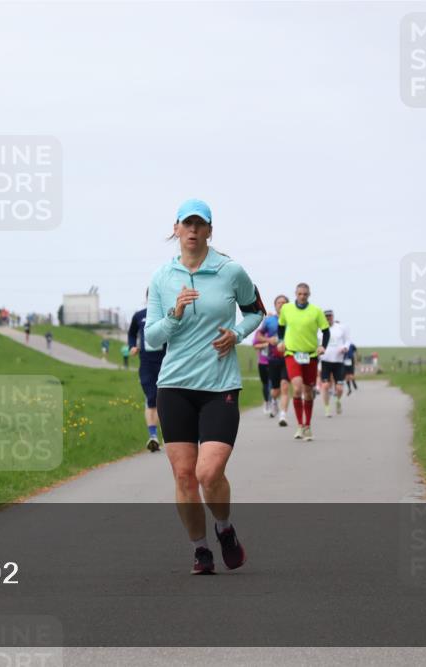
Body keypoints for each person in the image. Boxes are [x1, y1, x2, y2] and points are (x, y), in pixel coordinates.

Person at [145, 199, 264, 575]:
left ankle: (224, 529)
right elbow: (152, 338)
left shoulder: (231, 271)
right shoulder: (162, 277)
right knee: (184, 476)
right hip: (174, 386)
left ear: (210, 230)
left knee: (208, 473)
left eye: (200, 224)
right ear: (176, 229)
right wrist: (175, 313)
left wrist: (237, 333)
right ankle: (200, 550)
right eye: (187, 224)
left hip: (219, 385)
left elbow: (256, 311)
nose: (193, 231)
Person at [277, 283, 330, 441]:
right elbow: (281, 326)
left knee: (308, 391)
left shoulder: (316, 311)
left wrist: (323, 346)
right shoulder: (287, 309)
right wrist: (281, 341)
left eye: (305, 294)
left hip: (310, 354)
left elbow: (326, 331)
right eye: (300, 294)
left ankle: (308, 426)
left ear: (309, 295)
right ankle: (300, 425)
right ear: (295, 294)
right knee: (297, 387)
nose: (302, 296)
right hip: (292, 353)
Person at [128, 289, 167, 452]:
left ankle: (170, 436)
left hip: (166, 362)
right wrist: (132, 346)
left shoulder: (168, 314)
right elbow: (131, 334)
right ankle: (153, 437)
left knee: (166, 399)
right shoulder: (139, 316)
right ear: (147, 298)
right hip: (146, 364)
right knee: (151, 398)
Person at [264, 296, 291, 426]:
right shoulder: (269, 321)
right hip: (273, 359)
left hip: (288, 357)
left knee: (285, 386)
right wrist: (269, 340)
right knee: (275, 390)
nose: (281, 304)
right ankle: (274, 401)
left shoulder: (292, 319)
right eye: (279, 303)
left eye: (284, 303)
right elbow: (258, 336)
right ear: (275, 305)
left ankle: (283, 415)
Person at [319, 310, 351, 417]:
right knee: (325, 385)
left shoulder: (341, 328)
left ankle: (338, 401)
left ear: (333, 316)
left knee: (339, 388)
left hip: (338, 361)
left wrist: (345, 347)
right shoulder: (320, 329)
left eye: (330, 316)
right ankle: (327, 408)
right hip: (325, 360)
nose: (328, 318)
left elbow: (347, 341)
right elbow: (315, 342)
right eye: (326, 316)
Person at [252, 327, 272, 417]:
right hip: (262, 363)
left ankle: (272, 402)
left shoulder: (275, 331)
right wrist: (266, 344)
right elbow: (255, 345)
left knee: (272, 383)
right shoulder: (259, 333)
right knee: (265, 384)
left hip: (273, 362)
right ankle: (267, 402)